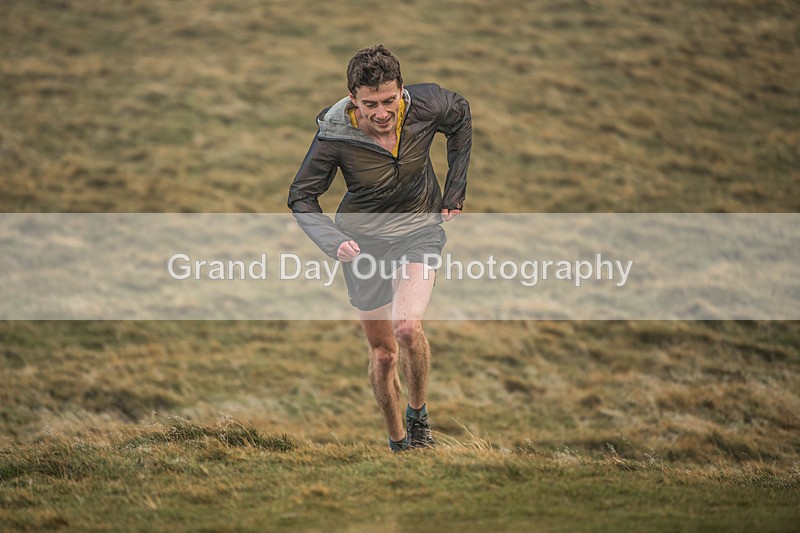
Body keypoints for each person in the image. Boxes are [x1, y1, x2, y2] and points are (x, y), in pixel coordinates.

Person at [288, 44, 471, 451]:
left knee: (407, 327)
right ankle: (398, 441)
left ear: (401, 90)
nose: (382, 112)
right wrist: (334, 242)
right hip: (362, 245)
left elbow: (460, 116)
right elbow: (301, 196)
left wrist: (454, 190)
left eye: (389, 100)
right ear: (353, 97)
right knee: (384, 355)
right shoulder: (334, 135)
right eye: (370, 103)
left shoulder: (426, 106)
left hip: (419, 231)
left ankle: (418, 417)